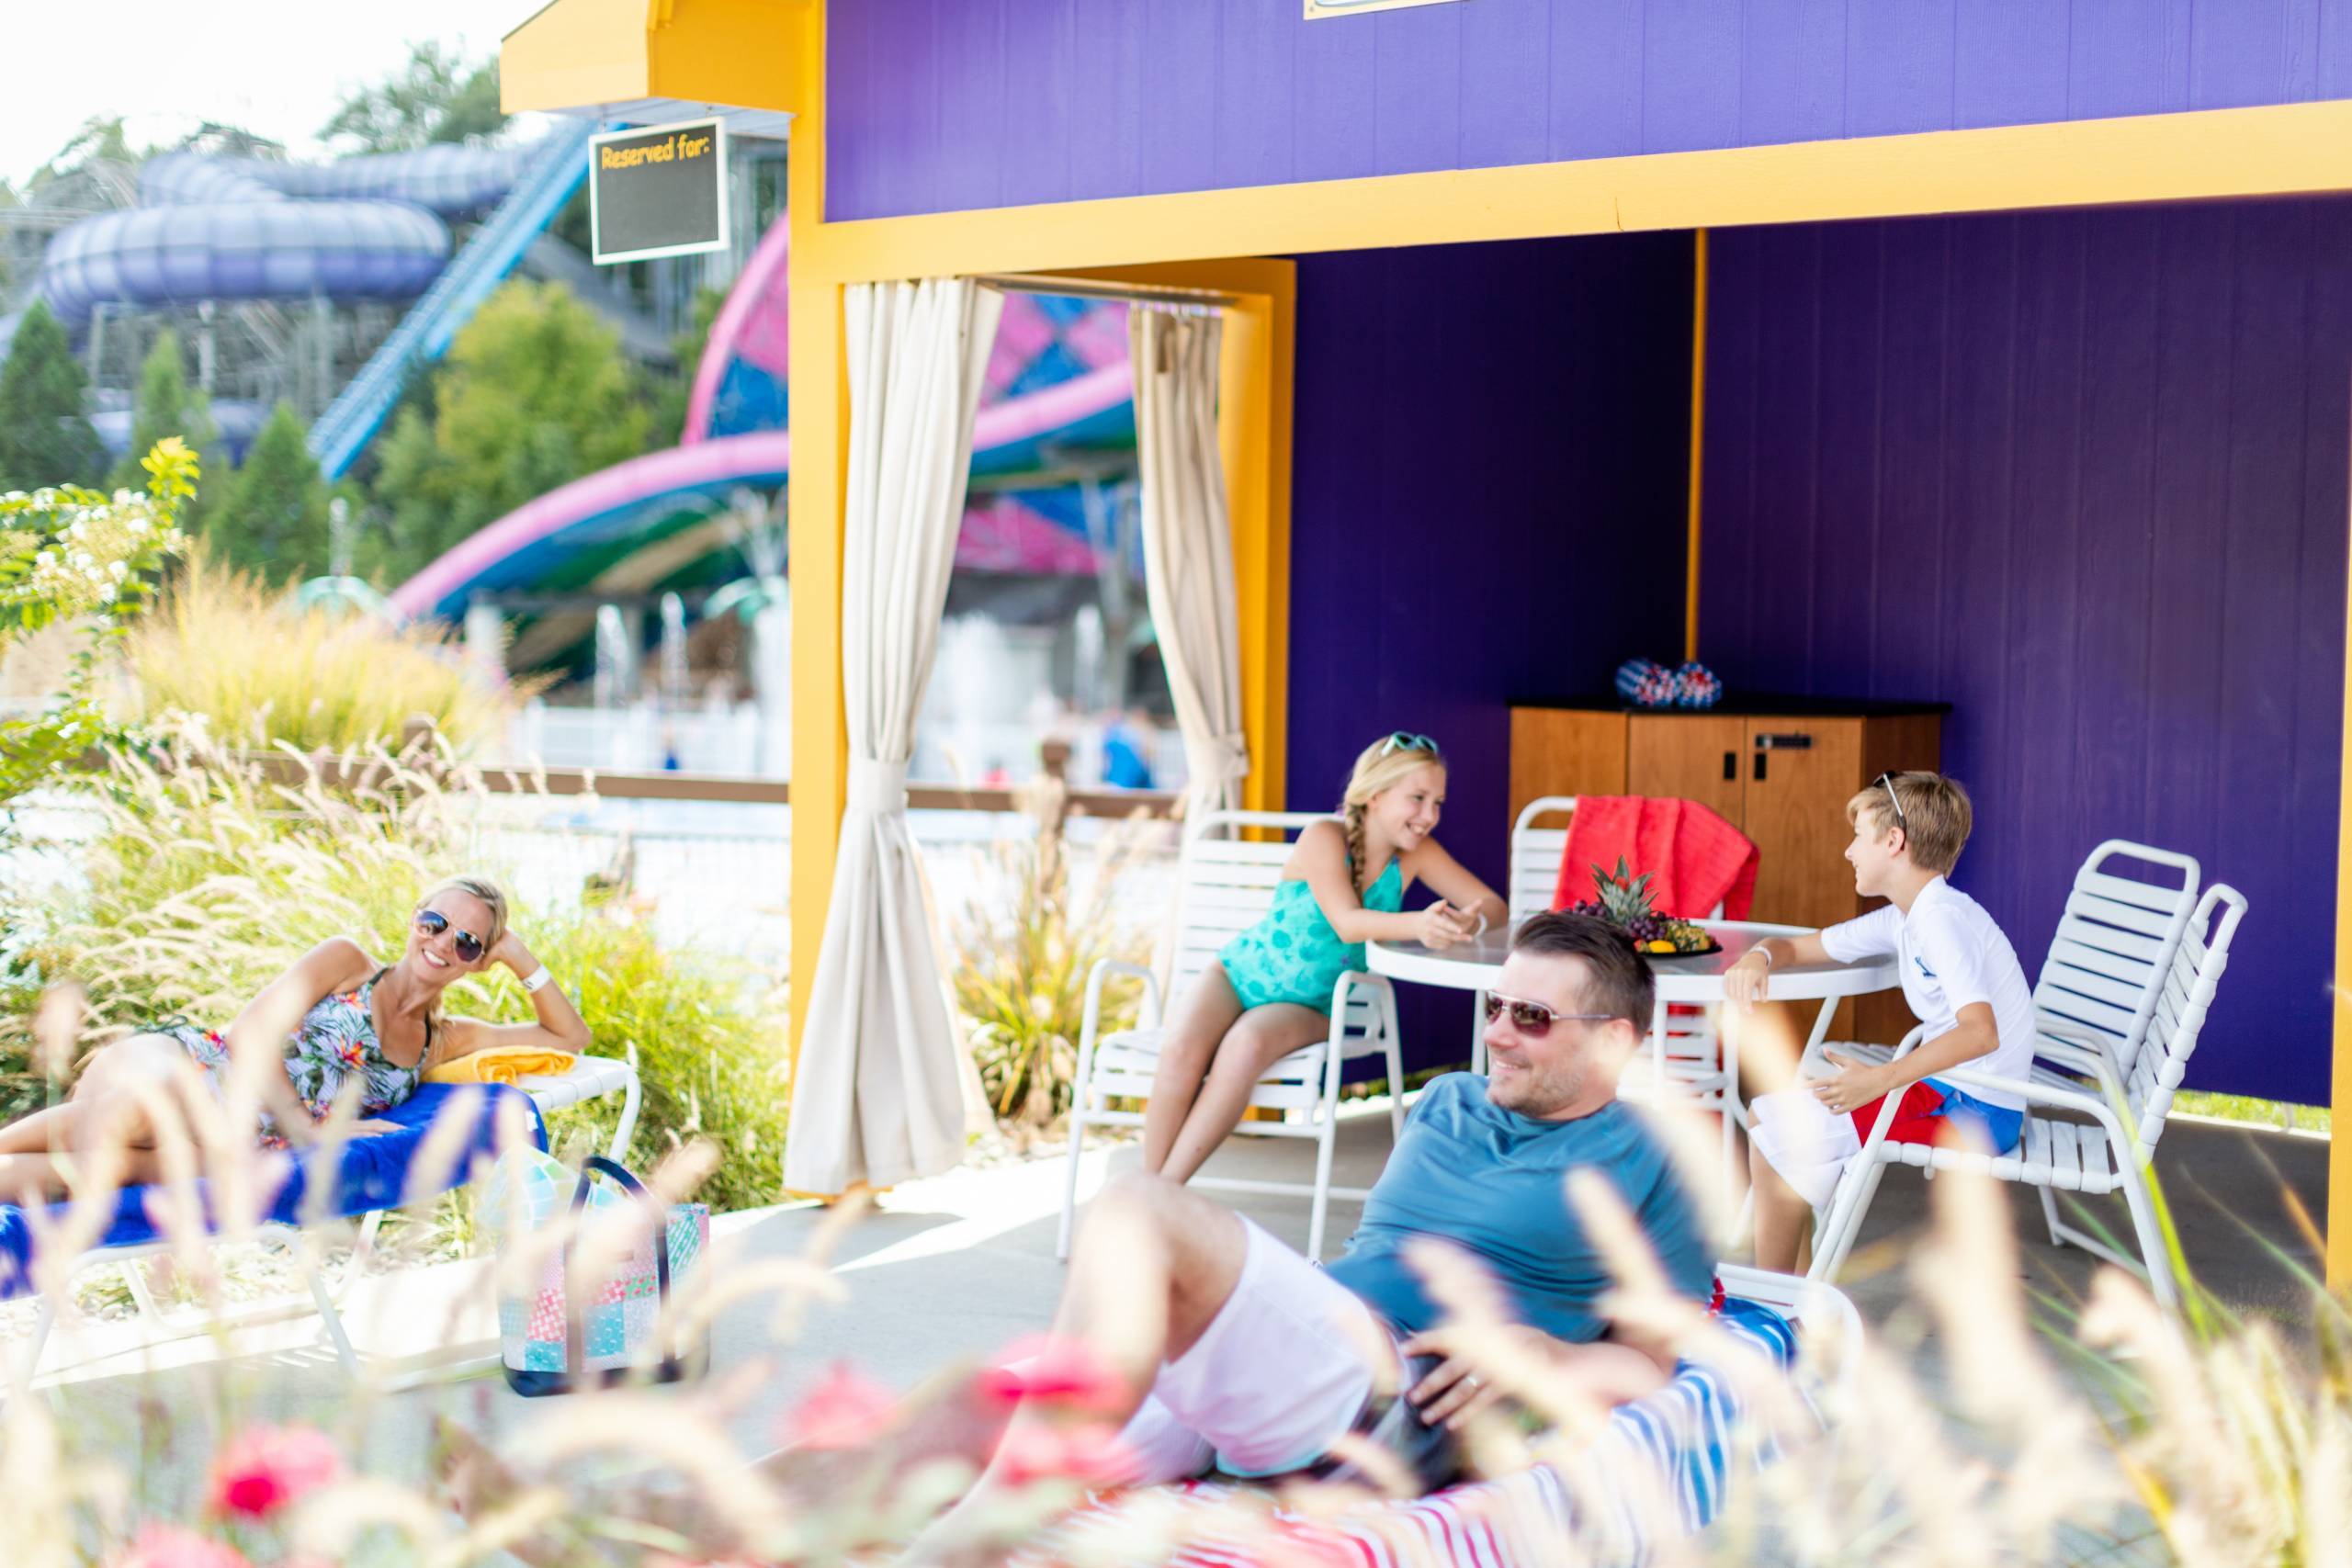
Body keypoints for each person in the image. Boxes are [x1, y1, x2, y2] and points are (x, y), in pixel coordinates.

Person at [899, 912, 1713, 1556]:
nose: (1497, 1031)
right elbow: (1382, 1250)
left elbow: (1652, 1363)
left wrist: (1547, 1356)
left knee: (1139, 1205)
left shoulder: (1652, 1153)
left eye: (1531, 1016)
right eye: (1495, 1005)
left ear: (1615, 1038)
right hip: (1311, 1341)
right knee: (933, 1425)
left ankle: (973, 1543)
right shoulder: (1450, 1100)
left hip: (1401, 1391)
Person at [0, 875, 590, 1198]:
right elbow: (253, 1030)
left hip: (239, 1143)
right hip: (194, 1066)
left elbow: (568, 1036)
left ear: (477, 962)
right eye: (435, 923)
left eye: (466, 942)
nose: (442, 943)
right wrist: (307, 1128)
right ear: (414, 921)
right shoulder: (348, 962)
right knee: (153, 1104)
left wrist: (516, 954)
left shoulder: (445, 1041)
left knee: (116, 1168)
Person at [1141, 731, 1505, 1185]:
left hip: (1310, 1005)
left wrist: (1470, 923)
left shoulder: (1414, 856)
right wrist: (1418, 925)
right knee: (1180, 1050)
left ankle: (1164, 1191)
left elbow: (1493, 906)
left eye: (1438, 802)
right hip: (1235, 974)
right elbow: (1347, 922)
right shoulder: (1324, 836)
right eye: (1417, 798)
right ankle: (1146, 1187)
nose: (1430, 815)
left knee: (1245, 1045)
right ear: (1374, 795)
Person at [1725, 771, 2037, 1274]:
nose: (1849, 851)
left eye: (1858, 836)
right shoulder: (1909, 916)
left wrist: (1880, 1081)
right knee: (1765, 1115)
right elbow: (1803, 946)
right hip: (1947, 1090)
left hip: (1973, 1109)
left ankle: (1774, 1304)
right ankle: (1796, 1294)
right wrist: (1760, 956)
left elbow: (1981, 1031)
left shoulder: (1941, 921)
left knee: (1778, 1136)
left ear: (1894, 842)